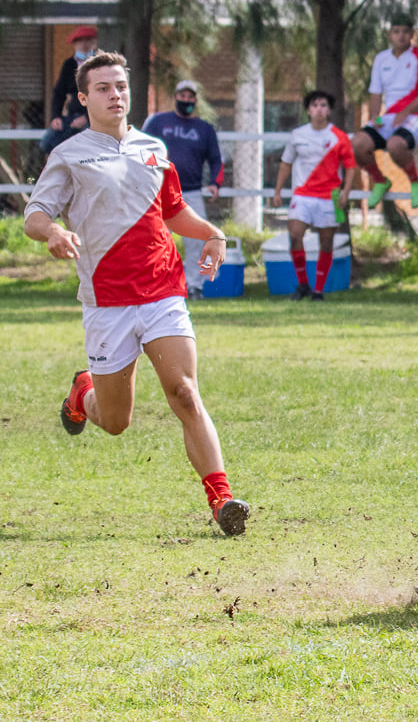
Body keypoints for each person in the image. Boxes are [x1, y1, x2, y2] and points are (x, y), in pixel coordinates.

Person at [23, 52, 250, 536]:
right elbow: (34, 216)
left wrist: (212, 232)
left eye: (121, 86)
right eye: (103, 88)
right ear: (83, 98)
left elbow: (173, 210)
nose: (115, 95)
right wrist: (54, 232)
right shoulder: (69, 154)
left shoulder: (153, 147)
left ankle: (222, 500)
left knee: (184, 393)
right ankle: (83, 392)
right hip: (107, 302)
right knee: (116, 421)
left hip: (163, 290)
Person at [143, 79, 225, 301]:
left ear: (195, 101)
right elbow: (142, 149)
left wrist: (215, 183)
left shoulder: (204, 128)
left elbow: (217, 160)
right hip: (158, 192)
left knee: (197, 240)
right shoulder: (158, 122)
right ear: (175, 97)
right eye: (182, 96)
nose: (186, 100)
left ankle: (194, 286)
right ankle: (155, 285)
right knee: (155, 239)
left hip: (190, 192)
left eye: (190, 97)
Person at [273, 90, 357, 301]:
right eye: (315, 105)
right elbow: (286, 163)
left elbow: (350, 167)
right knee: (295, 235)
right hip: (302, 195)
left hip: (329, 197)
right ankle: (303, 284)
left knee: (326, 243)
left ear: (329, 110)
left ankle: (318, 290)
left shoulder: (339, 137)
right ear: (308, 110)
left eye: (323, 105)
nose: (319, 109)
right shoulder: (297, 135)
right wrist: (278, 191)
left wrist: (346, 193)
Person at [352, 14, 418, 210]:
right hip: (391, 117)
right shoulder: (381, 58)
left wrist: (406, 111)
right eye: (396, 31)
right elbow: (375, 92)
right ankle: (380, 181)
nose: (401, 36)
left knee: (395, 145)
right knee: (357, 144)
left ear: (412, 34)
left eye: (405, 32)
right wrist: (375, 117)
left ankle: (416, 182)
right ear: (389, 34)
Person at [40, 26, 98, 154]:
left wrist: (87, 117)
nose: (84, 44)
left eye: (87, 40)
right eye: (80, 41)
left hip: (94, 118)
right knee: (48, 143)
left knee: (87, 147)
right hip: (73, 116)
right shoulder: (69, 65)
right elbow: (59, 92)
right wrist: (56, 117)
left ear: (93, 43)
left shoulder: (98, 64)